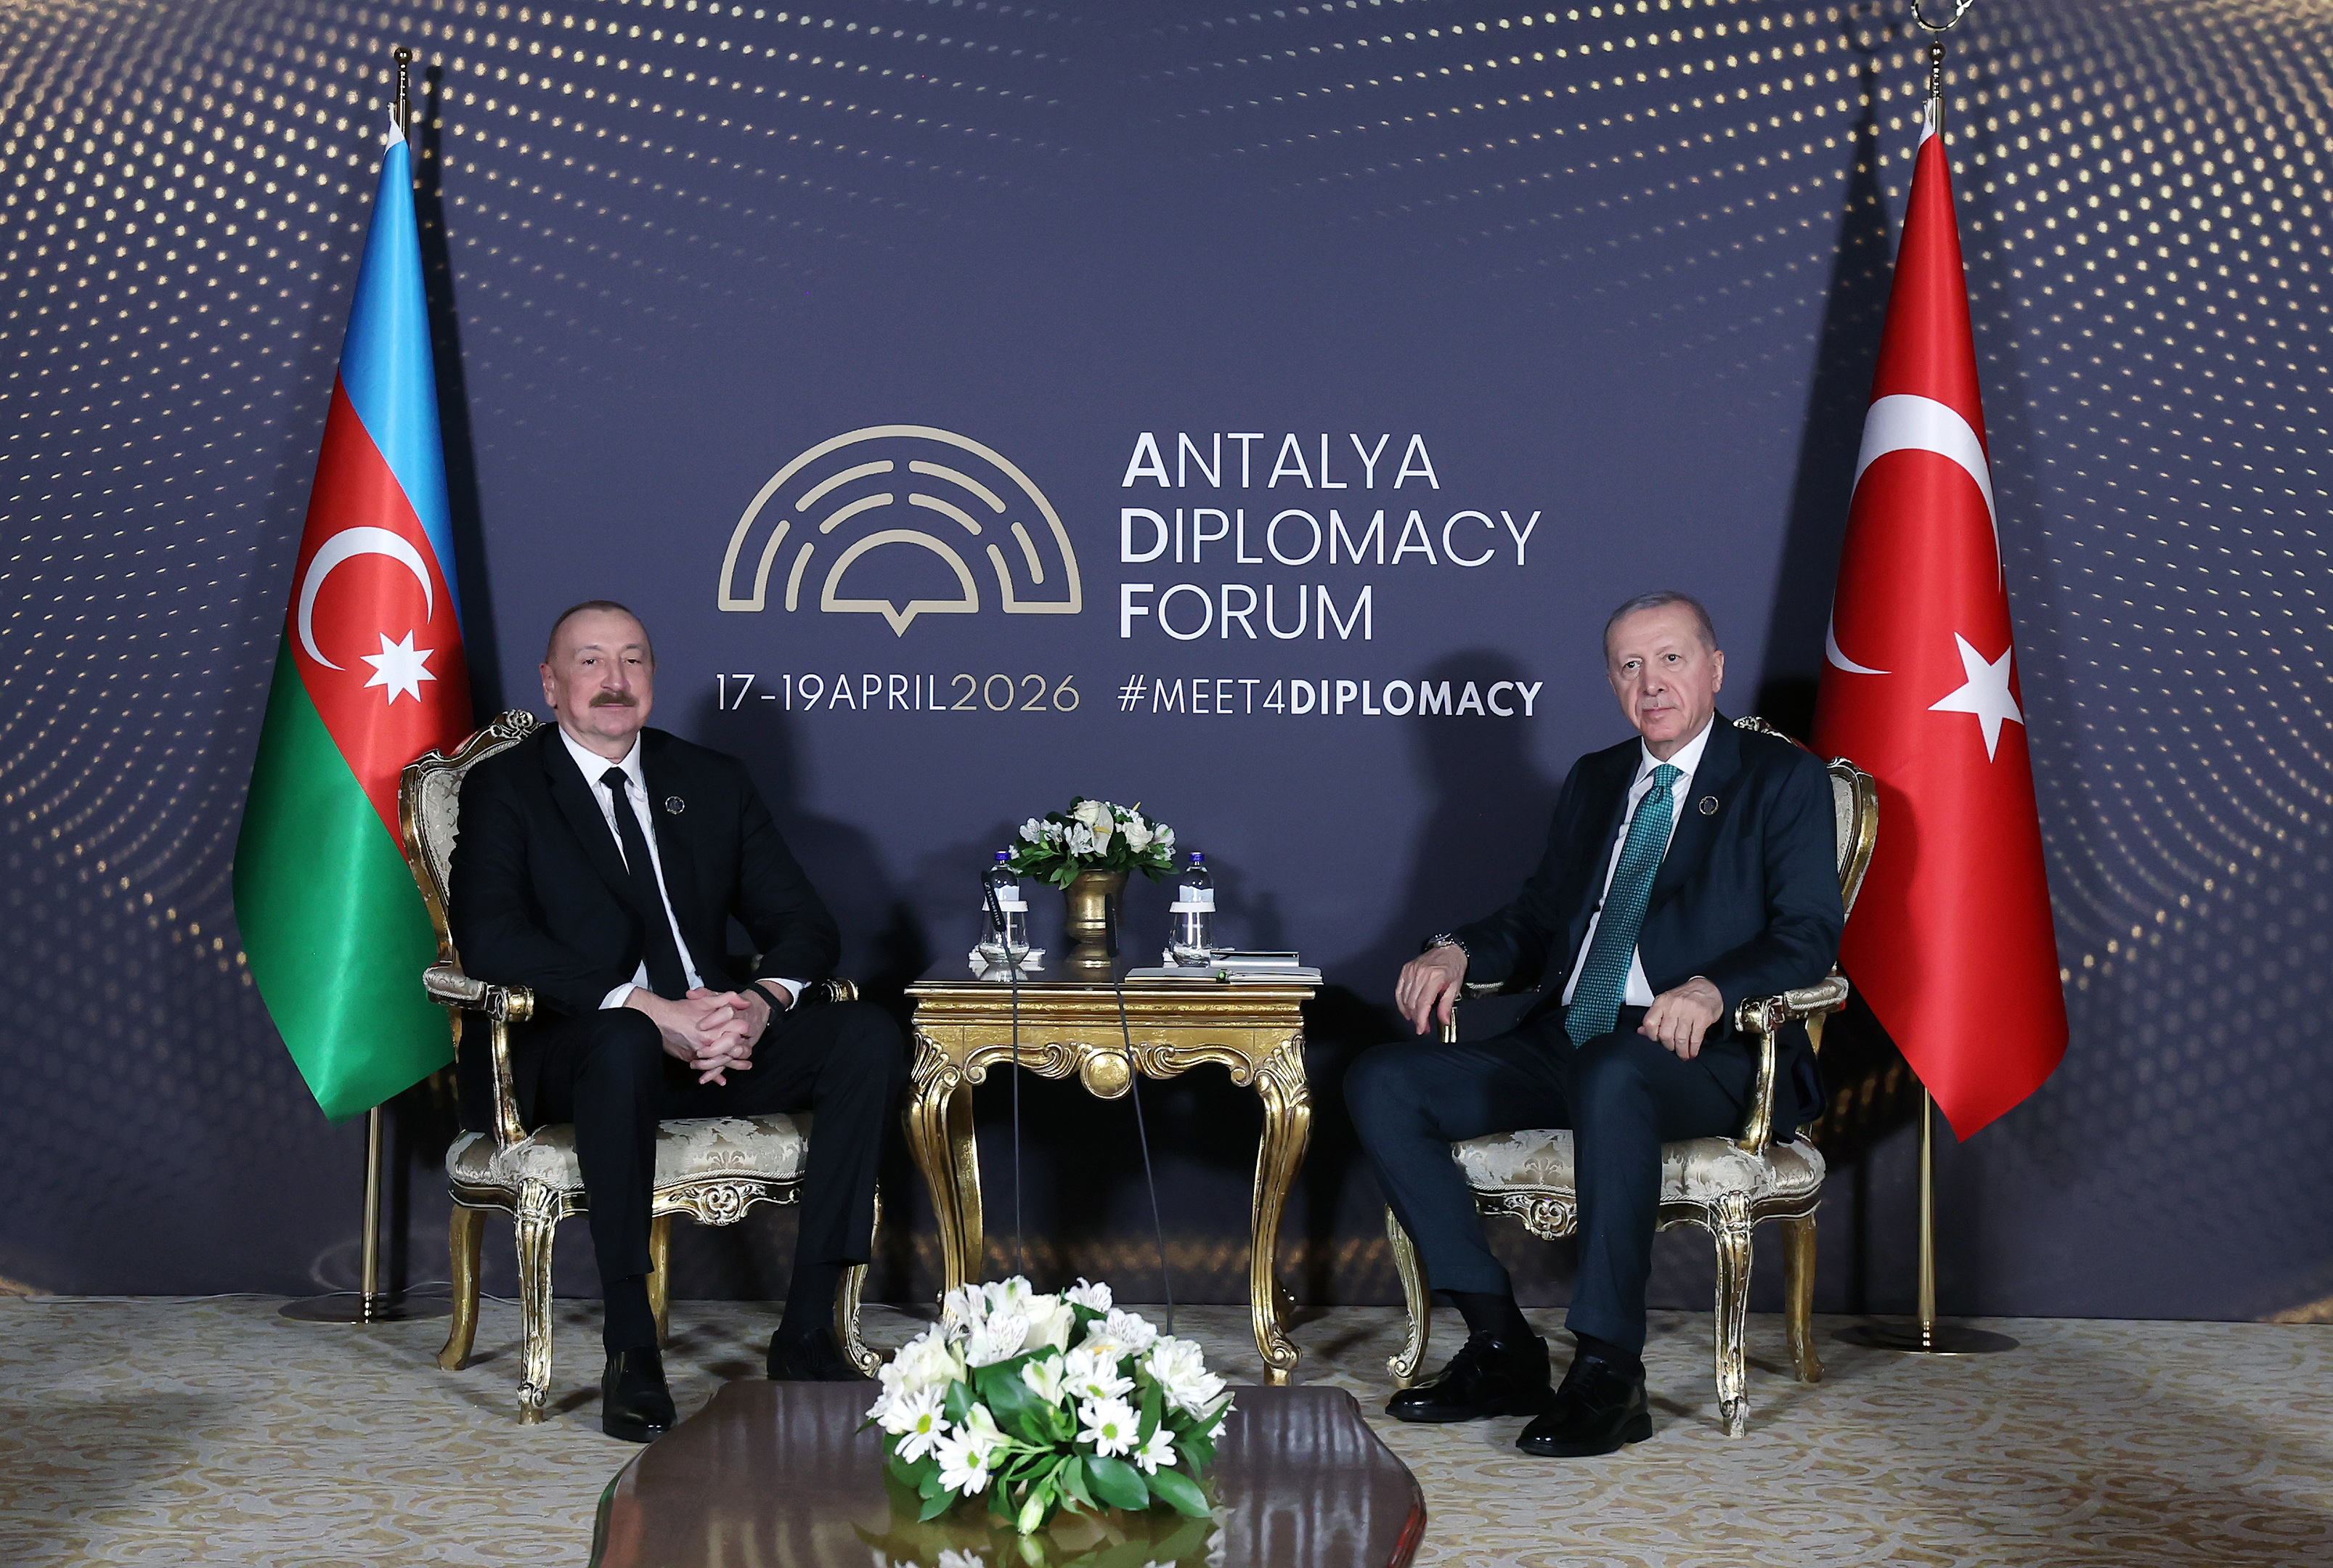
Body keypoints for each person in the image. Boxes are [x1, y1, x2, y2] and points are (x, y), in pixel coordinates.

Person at [1346, 591, 1843, 1457]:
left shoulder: (1779, 778)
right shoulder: (1597, 778)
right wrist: (1458, 950)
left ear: (1715, 669)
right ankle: (1501, 1346)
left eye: (1671, 659)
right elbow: (1540, 919)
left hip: (1706, 1053)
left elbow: (1807, 934)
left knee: (1614, 1068)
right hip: (1574, 1036)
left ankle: (1611, 1372)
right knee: (1383, 1081)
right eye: (1629, 666)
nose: (1651, 683)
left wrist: (1713, 988)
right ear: (1612, 682)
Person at [449, 600, 906, 1442]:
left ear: (653, 677)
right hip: (580, 1048)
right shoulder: (505, 787)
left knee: (868, 1035)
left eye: (633, 660)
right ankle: (632, 1349)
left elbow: (804, 924)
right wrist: (648, 1007)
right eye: (590, 661)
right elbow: (493, 938)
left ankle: (810, 1330)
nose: (614, 681)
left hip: (716, 1041)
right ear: (550, 683)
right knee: (625, 1042)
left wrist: (758, 1006)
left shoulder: (710, 778)